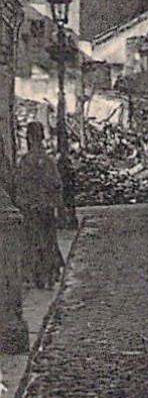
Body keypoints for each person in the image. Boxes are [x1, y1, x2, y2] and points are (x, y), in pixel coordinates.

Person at [14, 122, 64, 289]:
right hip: (46, 208)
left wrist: (24, 203)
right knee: (48, 241)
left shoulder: (26, 161)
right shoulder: (48, 161)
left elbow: (19, 186)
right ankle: (49, 275)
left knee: (34, 241)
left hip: (31, 209)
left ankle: (40, 276)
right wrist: (57, 205)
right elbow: (56, 185)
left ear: (29, 138)